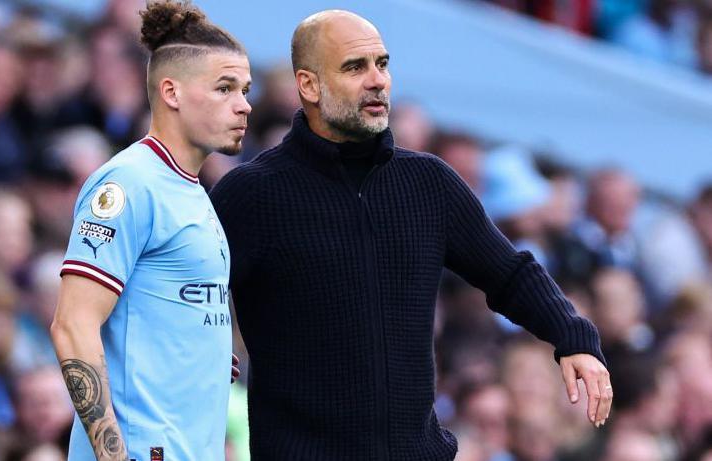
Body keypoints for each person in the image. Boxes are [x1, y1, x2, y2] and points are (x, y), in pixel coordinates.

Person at [210, 9, 611, 460]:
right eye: (355, 67)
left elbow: (509, 274)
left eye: (382, 64)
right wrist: (202, 347)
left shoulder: (429, 183)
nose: (377, 80)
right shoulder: (253, 194)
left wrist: (573, 335)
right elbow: (184, 290)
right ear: (309, 85)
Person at [50, 1, 251, 460]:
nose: (244, 105)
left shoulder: (192, 190)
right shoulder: (128, 184)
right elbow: (72, 324)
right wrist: (113, 455)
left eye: (245, 89)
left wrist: (202, 355)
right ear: (171, 92)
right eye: (225, 88)